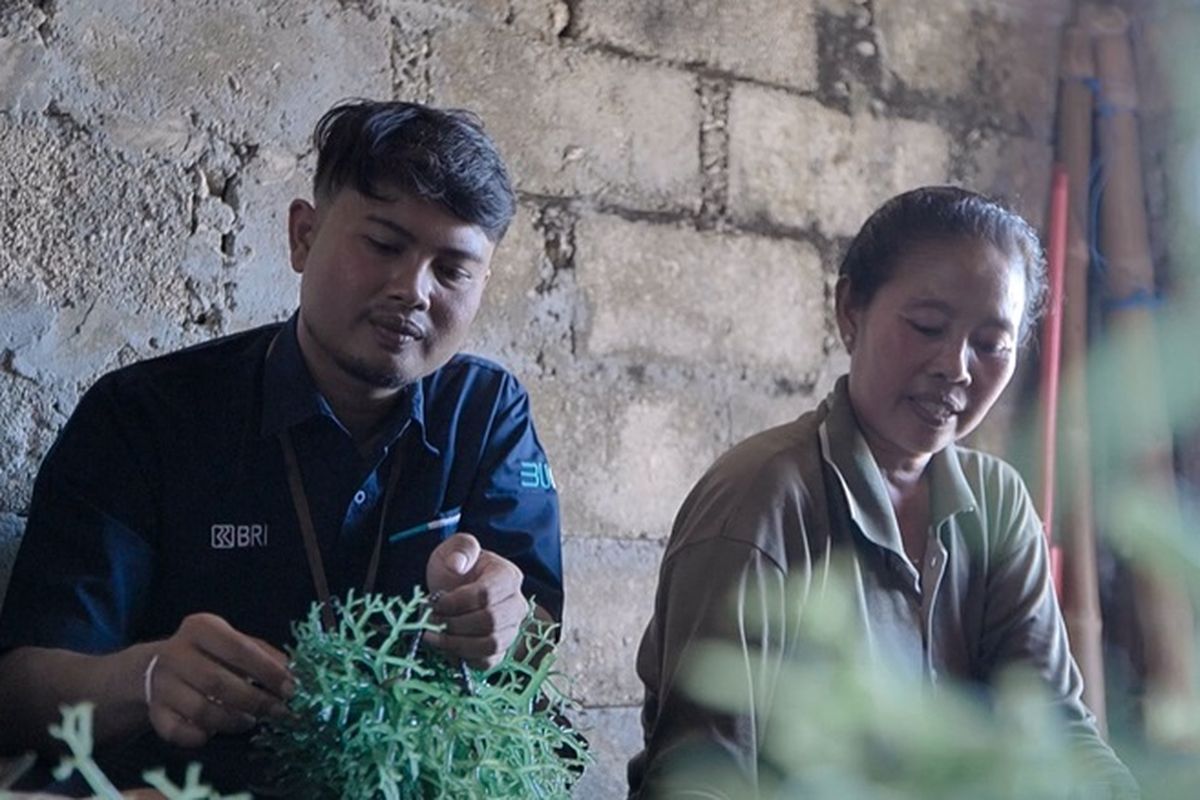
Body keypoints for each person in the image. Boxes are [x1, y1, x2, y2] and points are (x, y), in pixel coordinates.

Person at [0, 99, 563, 794]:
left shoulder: (485, 413)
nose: (413, 291)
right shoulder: (144, 416)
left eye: (453, 269)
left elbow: (536, 642)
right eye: (384, 245)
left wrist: (504, 617)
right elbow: (17, 696)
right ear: (304, 235)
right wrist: (144, 678)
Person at [628, 186, 1138, 798]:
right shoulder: (761, 500)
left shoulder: (996, 504)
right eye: (927, 326)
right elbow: (701, 776)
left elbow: (1055, 729)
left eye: (990, 345)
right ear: (851, 310)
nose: (956, 366)